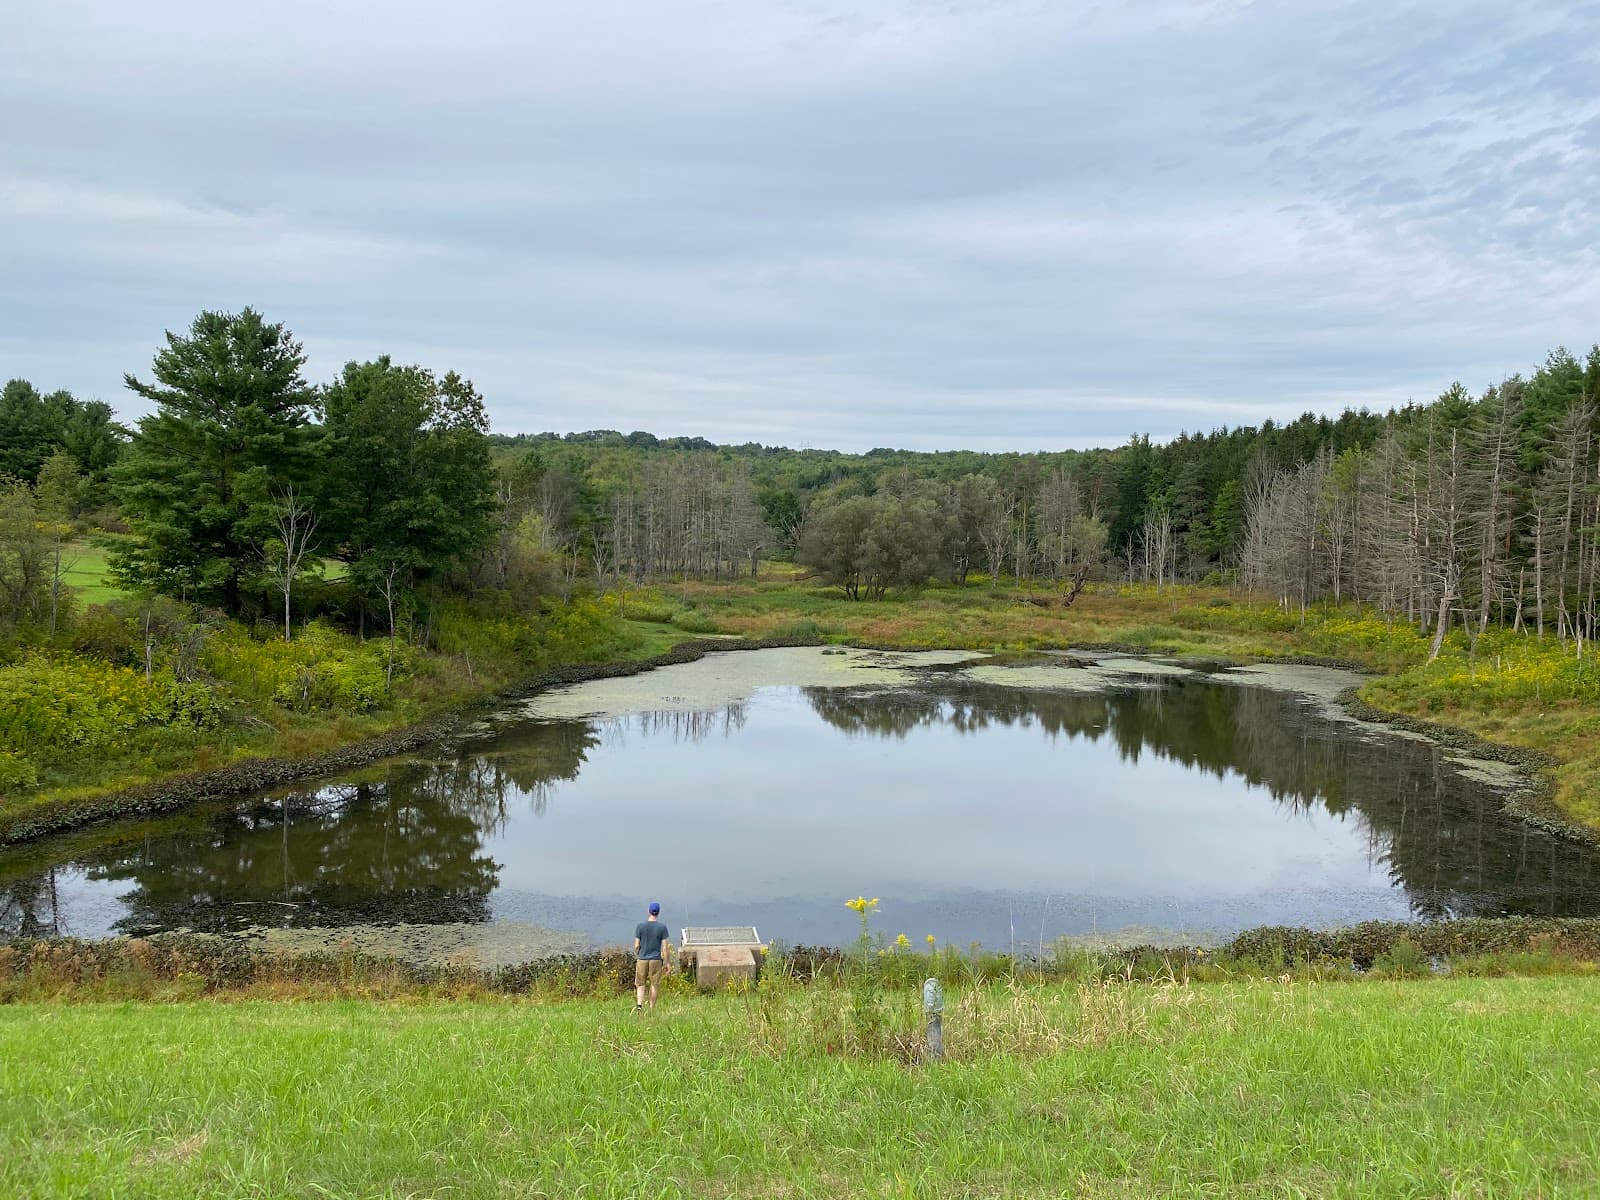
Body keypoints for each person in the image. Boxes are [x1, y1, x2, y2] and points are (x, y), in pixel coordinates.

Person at [633, 901, 671, 1011]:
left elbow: (636, 946)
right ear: (658, 913)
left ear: (648, 911)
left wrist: (638, 955)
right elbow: (665, 948)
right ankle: (651, 1008)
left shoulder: (640, 926)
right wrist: (667, 963)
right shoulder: (662, 927)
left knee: (640, 984)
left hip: (642, 959)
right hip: (656, 960)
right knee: (654, 984)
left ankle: (639, 1006)